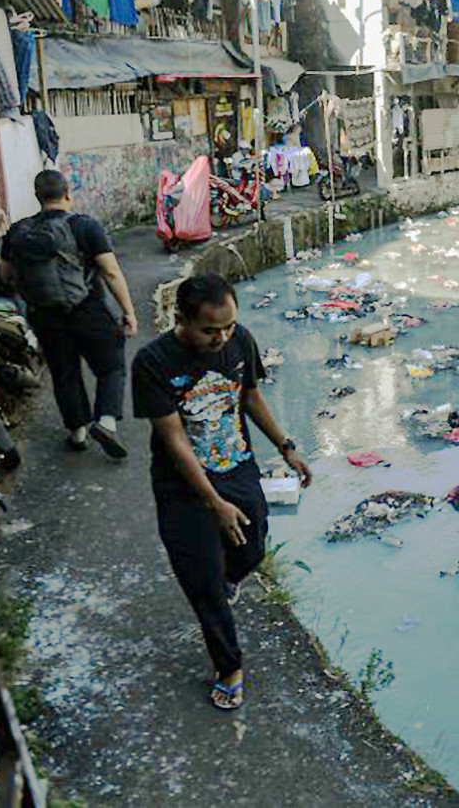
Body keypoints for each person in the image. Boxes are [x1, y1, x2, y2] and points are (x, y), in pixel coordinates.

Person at [132, 274, 311, 710]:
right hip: (184, 487)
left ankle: (231, 575)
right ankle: (229, 666)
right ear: (181, 320)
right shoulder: (153, 363)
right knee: (203, 586)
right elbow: (173, 439)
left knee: (253, 549)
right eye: (211, 330)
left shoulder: (239, 340)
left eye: (229, 327)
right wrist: (214, 503)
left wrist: (286, 448)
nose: (223, 337)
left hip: (238, 468)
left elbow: (249, 397)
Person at [0, 169, 138, 458]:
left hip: (44, 314)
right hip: (86, 308)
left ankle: (77, 432)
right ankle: (106, 422)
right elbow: (111, 272)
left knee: (65, 373)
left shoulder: (18, 231)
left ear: (38, 197)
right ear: (67, 194)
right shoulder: (84, 226)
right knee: (111, 365)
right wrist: (128, 311)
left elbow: (7, 275)